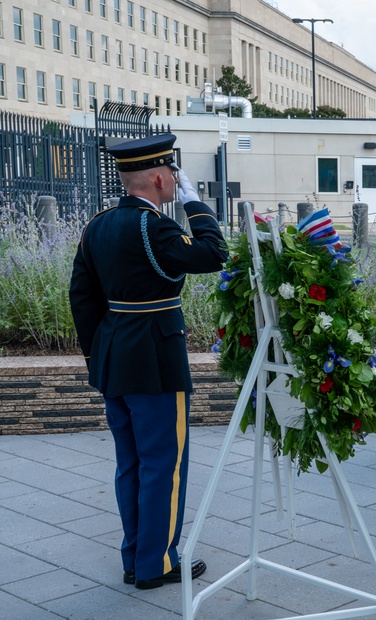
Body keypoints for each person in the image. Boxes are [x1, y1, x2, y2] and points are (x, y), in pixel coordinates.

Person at [69, 133, 228, 588]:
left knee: (131, 462)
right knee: (164, 462)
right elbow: (213, 253)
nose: (176, 186)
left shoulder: (97, 225)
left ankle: (135, 556)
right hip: (156, 356)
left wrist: (94, 355)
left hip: (114, 355)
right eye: (175, 180)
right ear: (161, 177)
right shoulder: (155, 226)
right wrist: (197, 207)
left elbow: (81, 297)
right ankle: (157, 563)